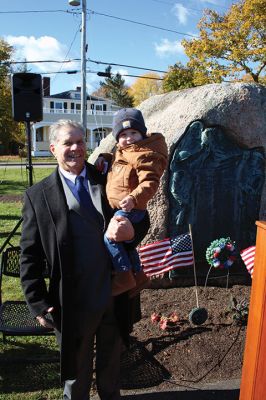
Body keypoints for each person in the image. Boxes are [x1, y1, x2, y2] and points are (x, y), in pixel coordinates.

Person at [20, 119, 149, 400]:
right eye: (68, 142)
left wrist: (132, 231)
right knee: (75, 377)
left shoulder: (108, 176)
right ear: (53, 148)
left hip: (114, 294)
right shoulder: (37, 197)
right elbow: (28, 256)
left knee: (111, 371)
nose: (76, 148)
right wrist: (39, 305)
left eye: (80, 141)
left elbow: (140, 217)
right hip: (72, 302)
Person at [95, 108, 168, 297]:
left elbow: (150, 181)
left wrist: (134, 197)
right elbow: (120, 161)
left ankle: (124, 274)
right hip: (121, 207)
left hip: (131, 207)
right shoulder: (123, 151)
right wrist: (105, 157)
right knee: (126, 245)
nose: (129, 138)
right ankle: (139, 275)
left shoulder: (146, 154)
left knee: (110, 237)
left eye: (134, 133)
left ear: (142, 134)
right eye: (124, 134)